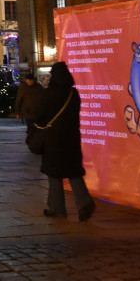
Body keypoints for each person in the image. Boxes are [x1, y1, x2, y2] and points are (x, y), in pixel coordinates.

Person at [37, 61, 95, 221]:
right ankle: (85, 202)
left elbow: (40, 114)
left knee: (54, 173)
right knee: (74, 171)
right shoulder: (73, 93)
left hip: (53, 139)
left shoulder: (50, 93)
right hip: (72, 138)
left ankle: (57, 208)